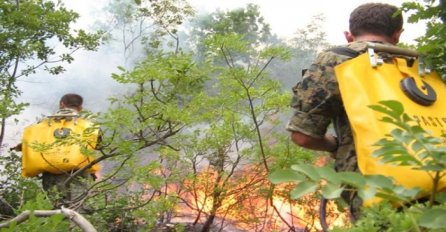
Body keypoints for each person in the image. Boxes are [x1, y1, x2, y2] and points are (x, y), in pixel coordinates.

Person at [286, 3, 404, 221]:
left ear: (349, 36)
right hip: (432, 185)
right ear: (398, 34)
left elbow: (303, 136)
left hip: (373, 194)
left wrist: (335, 145)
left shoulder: (338, 60)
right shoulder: (416, 65)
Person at [12, 93, 99, 212]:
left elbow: (30, 144)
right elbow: (98, 144)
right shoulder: (88, 123)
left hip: (51, 174)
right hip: (79, 173)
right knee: (79, 210)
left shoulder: (44, 123)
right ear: (80, 108)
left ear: (61, 104)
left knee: (58, 210)